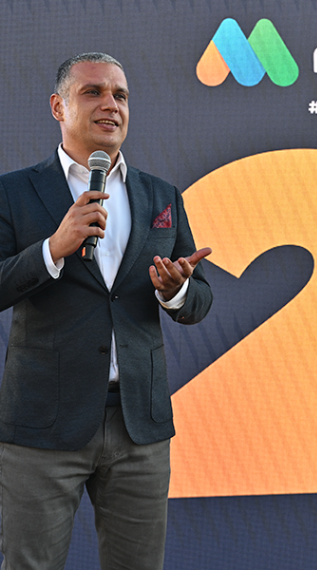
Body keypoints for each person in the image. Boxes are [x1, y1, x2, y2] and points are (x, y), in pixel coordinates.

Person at [0, 52, 213, 569]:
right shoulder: (13, 192)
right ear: (58, 107)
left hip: (139, 423)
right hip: (43, 424)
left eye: (120, 95)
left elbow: (199, 300)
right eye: (92, 92)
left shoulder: (161, 195)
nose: (110, 105)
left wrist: (175, 291)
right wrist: (53, 248)